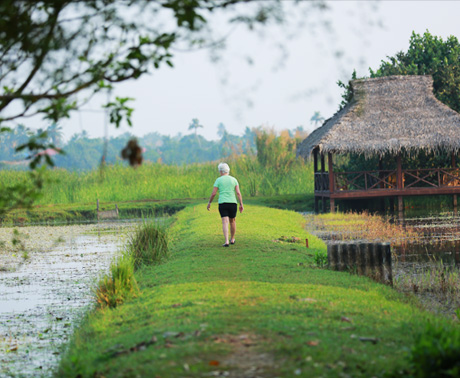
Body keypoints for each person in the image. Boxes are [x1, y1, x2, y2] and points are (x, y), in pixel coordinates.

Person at [207, 162, 244, 247]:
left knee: (225, 221)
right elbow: (238, 193)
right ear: (228, 171)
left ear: (220, 171)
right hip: (232, 203)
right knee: (232, 221)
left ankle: (226, 241)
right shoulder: (234, 179)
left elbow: (213, 193)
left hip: (223, 203)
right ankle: (232, 239)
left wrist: (209, 203)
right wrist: (241, 204)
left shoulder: (218, 180)